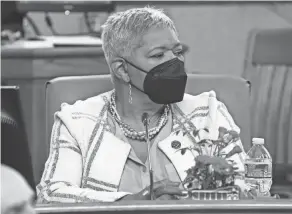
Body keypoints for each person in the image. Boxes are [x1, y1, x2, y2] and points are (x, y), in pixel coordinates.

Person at [37, 7, 249, 203]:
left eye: (177, 52)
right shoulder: (77, 121)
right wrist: (131, 202)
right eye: (158, 55)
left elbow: (245, 186)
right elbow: (51, 193)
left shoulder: (207, 113)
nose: (176, 62)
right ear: (122, 70)